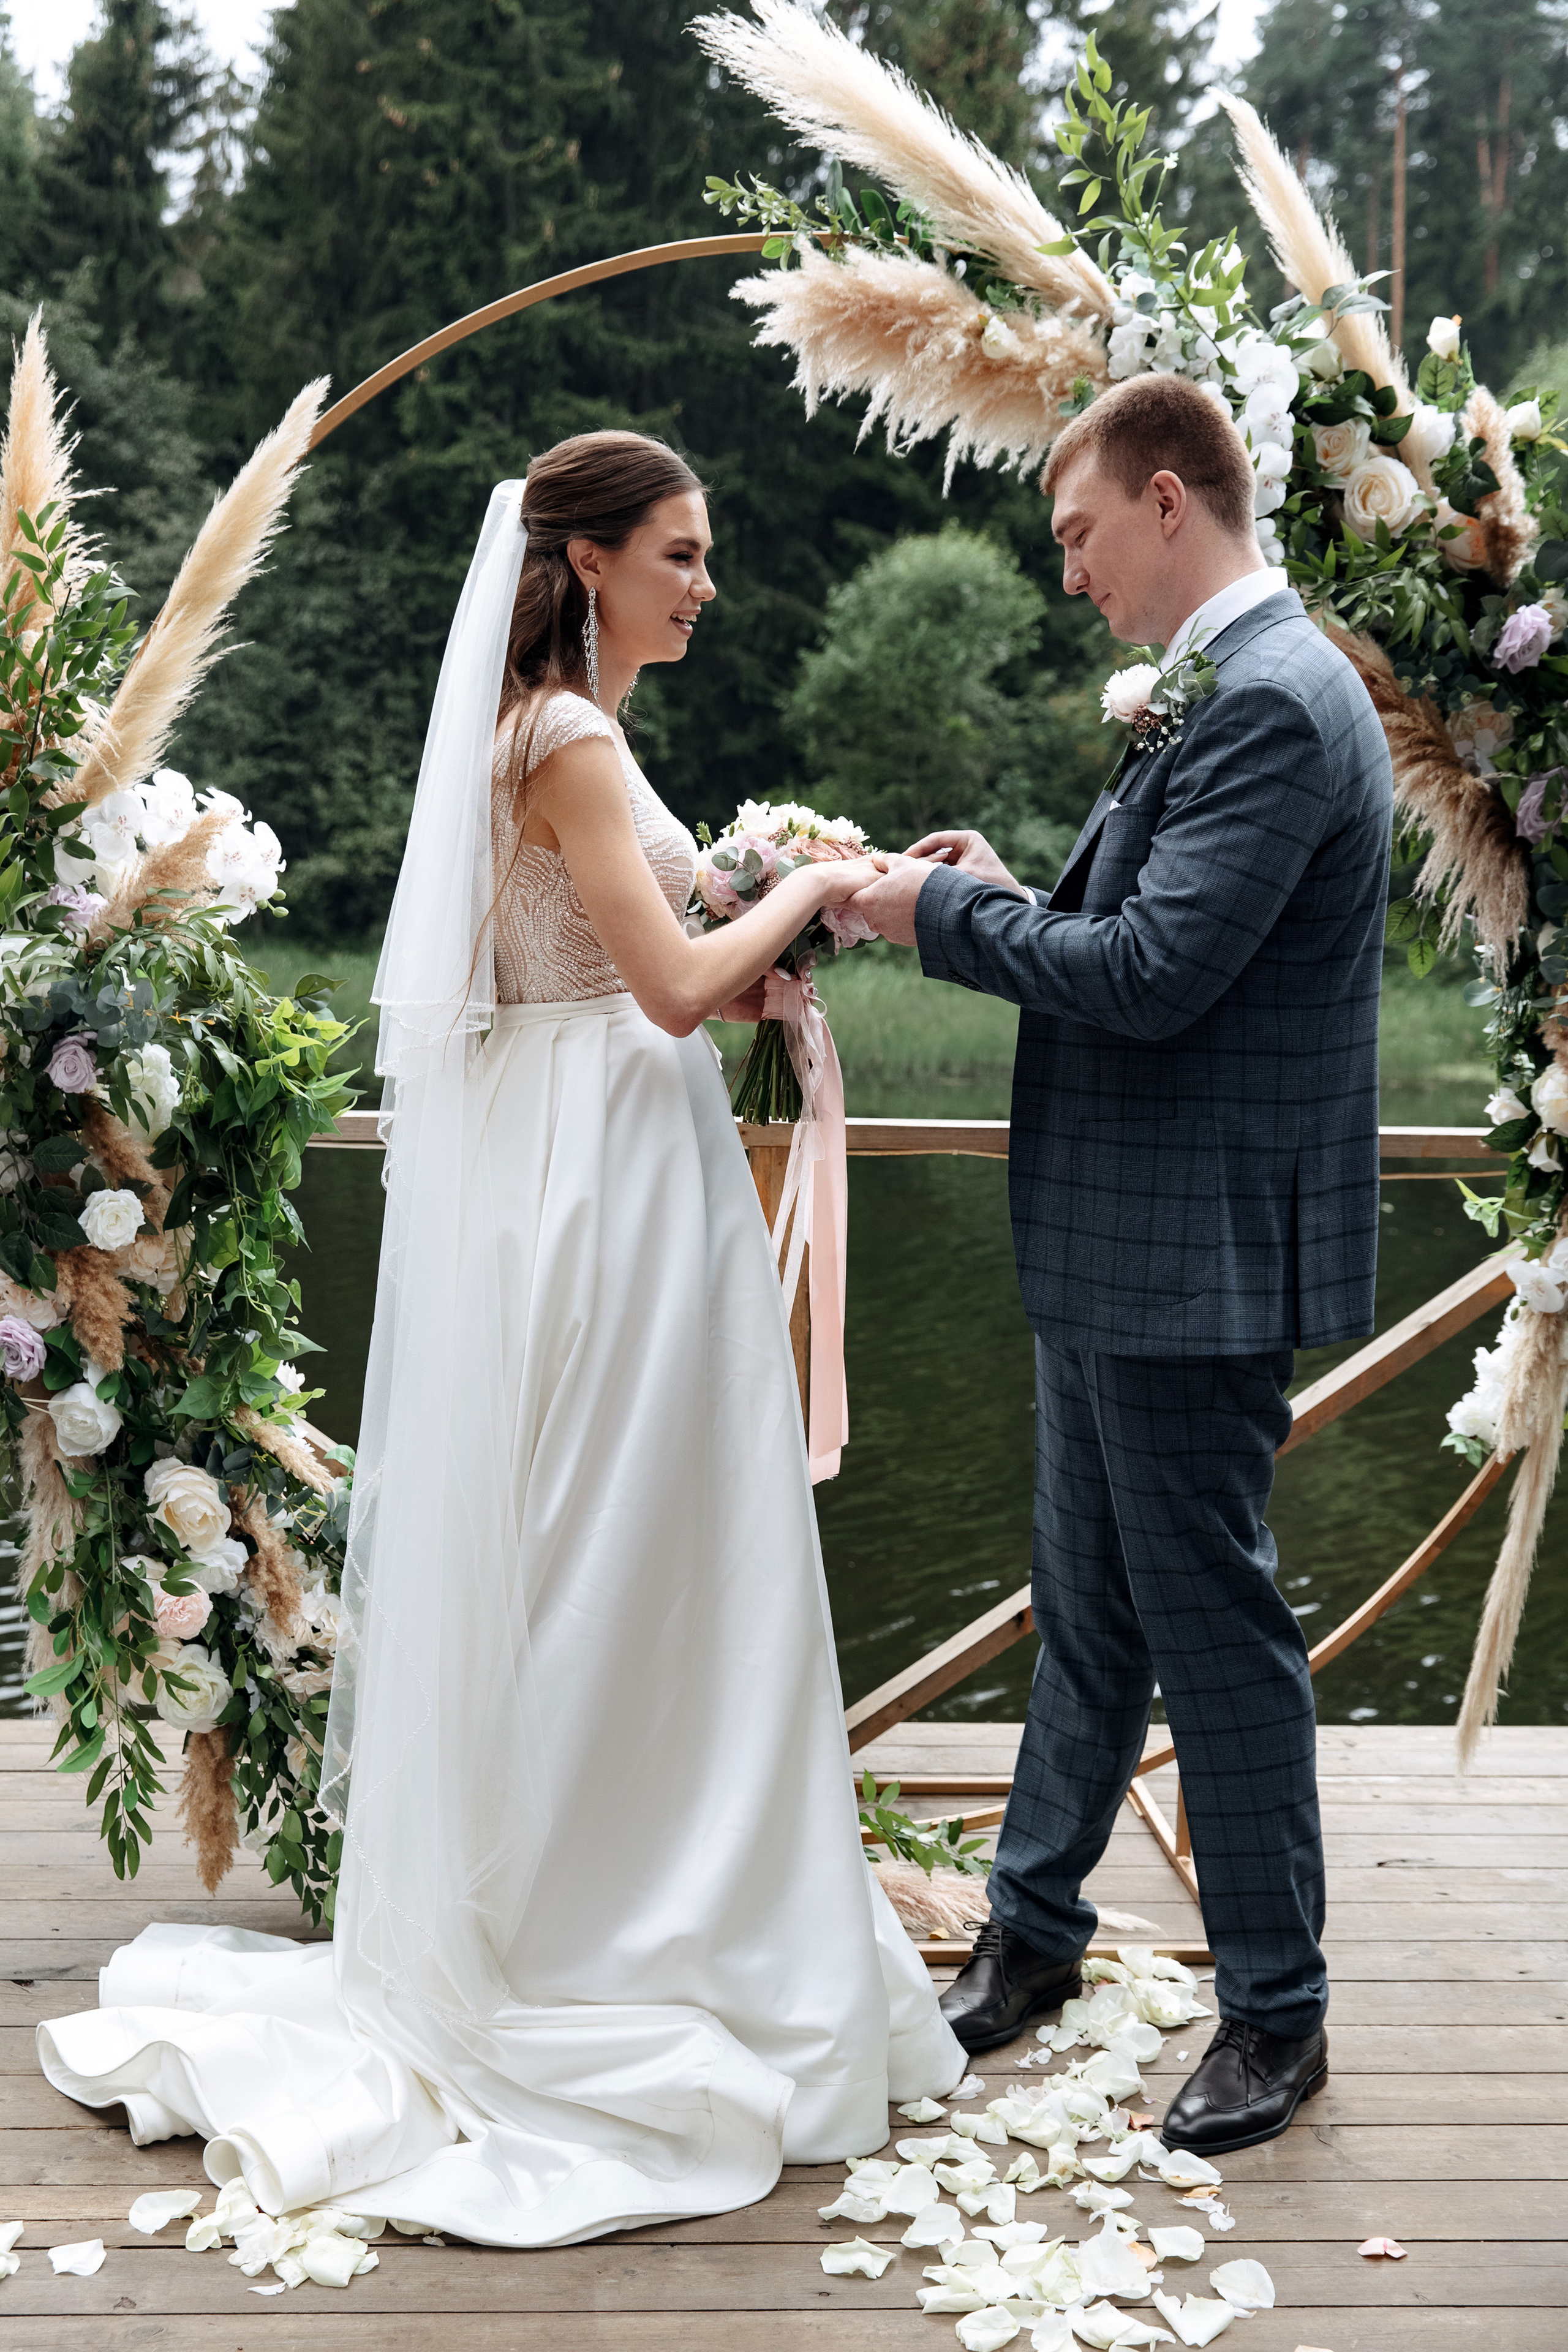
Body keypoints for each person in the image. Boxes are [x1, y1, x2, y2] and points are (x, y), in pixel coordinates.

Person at [37, 431, 963, 2242]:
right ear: (589, 559)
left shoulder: (562, 734)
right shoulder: (566, 740)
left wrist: (759, 895)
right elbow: (670, 993)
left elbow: (620, 952)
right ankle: (617, 1932)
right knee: (622, 1545)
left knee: (628, 1545)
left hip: (601, 1158)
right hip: (608, 1181)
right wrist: (814, 888)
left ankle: (637, 1897)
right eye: (679, 553)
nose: (704, 584)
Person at [847, 373, 1393, 2158]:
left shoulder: (1278, 702)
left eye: (1080, 533)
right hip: (1126, 1248)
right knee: (1084, 1610)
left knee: (1216, 1633)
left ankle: (1279, 2014)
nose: (1070, 571)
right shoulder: (1231, 688)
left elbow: (1154, 979)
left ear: (1171, 500)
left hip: (1190, 1260)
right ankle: (1033, 1933)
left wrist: (928, 915)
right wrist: (1018, 888)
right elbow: (1157, 930)